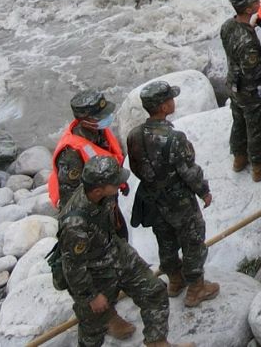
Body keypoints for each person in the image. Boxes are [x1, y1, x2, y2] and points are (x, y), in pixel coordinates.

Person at [55, 157, 194, 347]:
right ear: (98, 190)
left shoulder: (103, 195)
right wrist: (91, 296)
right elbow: (73, 267)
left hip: (118, 255)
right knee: (93, 330)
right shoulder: (74, 225)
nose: (120, 183)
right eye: (116, 182)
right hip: (94, 275)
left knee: (154, 291)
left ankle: (157, 343)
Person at [128, 81, 218, 307]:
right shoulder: (175, 137)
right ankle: (196, 288)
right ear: (163, 107)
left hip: (153, 199)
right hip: (179, 201)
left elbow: (135, 167)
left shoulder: (134, 135)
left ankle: (175, 280)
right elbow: (189, 171)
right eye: (170, 99)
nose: (173, 101)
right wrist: (204, 191)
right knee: (193, 240)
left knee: (165, 240)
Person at [220, 0, 261, 181]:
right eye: (255, 1)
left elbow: (235, 47)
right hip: (250, 91)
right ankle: (259, 166)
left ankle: (239, 158)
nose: (259, 2)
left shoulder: (228, 25)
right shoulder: (247, 41)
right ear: (248, 9)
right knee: (257, 126)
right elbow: (255, 70)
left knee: (238, 121)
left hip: (233, 84)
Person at [50, 90, 125, 209]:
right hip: (90, 203)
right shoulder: (71, 155)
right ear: (84, 122)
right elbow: (69, 195)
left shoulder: (97, 129)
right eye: (100, 117)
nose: (107, 118)